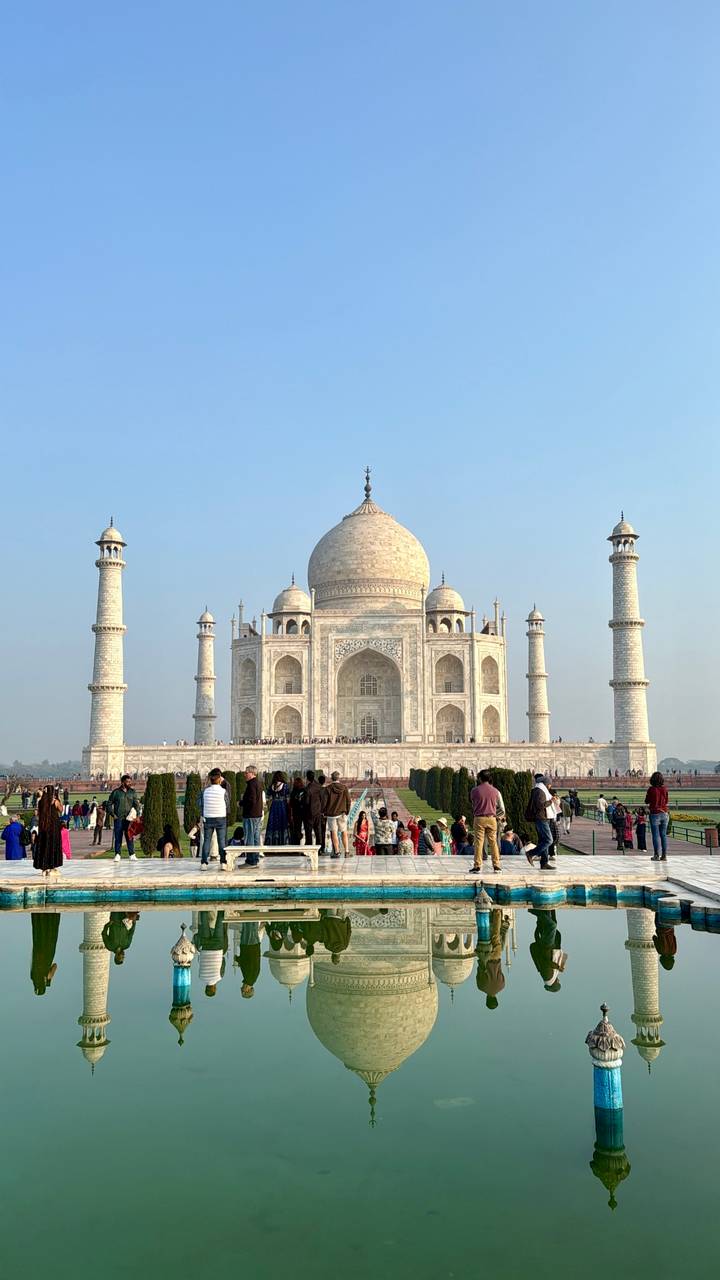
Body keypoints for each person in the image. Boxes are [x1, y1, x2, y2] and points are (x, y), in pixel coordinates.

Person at [469, 770, 504, 874]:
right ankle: (497, 866)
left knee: (479, 842)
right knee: (493, 842)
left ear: (480, 778)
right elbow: (502, 808)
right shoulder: (496, 791)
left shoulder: (475, 790)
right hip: (492, 818)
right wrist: (495, 815)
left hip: (479, 818)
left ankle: (477, 866)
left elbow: (473, 803)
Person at [475, 909, 510, 1009]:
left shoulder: (501, 986)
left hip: (497, 957)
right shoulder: (481, 987)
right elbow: (479, 971)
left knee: (496, 935)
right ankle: (494, 912)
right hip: (485, 956)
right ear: (487, 999)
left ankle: (497, 912)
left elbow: (500, 972)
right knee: (487, 932)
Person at [528, 908, 566, 992]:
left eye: (558, 983)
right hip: (549, 946)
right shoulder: (551, 976)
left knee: (552, 926)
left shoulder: (548, 977)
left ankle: (537, 912)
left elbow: (545, 962)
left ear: (555, 984)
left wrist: (558, 967)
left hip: (547, 946)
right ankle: (549, 907)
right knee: (552, 922)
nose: (558, 980)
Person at [199, 768, 229, 870]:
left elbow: (201, 805)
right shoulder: (223, 791)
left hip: (208, 818)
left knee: (207, 841)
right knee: (222, 842)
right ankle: (223, 863)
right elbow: (227, 804)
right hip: (220, 818)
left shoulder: (204, 791)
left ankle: (204, 863)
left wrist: (204, 815)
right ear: (220, 779)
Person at [107, 774, 141, 862]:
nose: (129, 783)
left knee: (129, 836)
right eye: (128, 782)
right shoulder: (116, 792)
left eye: (130, 782)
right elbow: (109, 804)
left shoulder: (132, 792)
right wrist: (112, 814)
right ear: (122, 782)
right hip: (118, 818)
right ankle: (117, 854)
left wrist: (137, 815)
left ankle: (132, 854)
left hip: (129, 819)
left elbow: (136, 805)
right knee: (118, 837)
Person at [193, 909, 227, 995]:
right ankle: (203, 907)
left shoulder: (219, 977)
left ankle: (222, 907)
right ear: (206, 988)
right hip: (205, 947)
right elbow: (200, 963)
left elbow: (223, 962)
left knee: (219, 923)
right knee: (204, 923)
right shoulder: (201, 977)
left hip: (217, 947)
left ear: (214, 988)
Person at [524, 774, 554, 871]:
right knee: (549, 840)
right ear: (546, 784)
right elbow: (540, 805)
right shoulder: (539, 791)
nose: (550, 786)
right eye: (549, 784)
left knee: (543, 840)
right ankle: (531, 853)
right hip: (541, 818)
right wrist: (551, 801)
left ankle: (544, 863)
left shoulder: (541, 790)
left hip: (543, 817)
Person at [34, 785, 63, 877]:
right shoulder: (54, 802)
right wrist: (59, 799)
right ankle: (52, 867)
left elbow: (39, 814)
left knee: (44, 845)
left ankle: (44, 868)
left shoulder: (41, 802)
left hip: (43, 827)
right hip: (53, 827)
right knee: (53, 845)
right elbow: (61, 810)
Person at [30, 912, 60, 995]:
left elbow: (55, 966)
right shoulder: (33, 975)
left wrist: (49, 980)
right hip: (38, 948)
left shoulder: (46, 978)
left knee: (49, 931)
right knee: (39, 931)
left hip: (48, 950)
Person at [325, 771, 352, 857]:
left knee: (334, 833)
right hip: (342, 813)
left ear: (331, 778)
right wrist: (347, 811)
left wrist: (324, 812)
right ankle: (347, 851)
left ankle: (337, 852)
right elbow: (348, 800)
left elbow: (325, 802)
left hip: (331, 814)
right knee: (344, 832)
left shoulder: (328, 788)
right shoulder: (344, 788)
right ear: (338, 778)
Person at [646, 770, 670, 861]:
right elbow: (667, 801)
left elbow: (647, 801)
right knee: (663, 835)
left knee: (655, 835)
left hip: (655, 813)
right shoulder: (664, 789)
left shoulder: (651, 789)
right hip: (664, 813)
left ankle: (656, 855)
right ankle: (664, 856)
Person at [237, 920, 262, 998]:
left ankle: (253, 910)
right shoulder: (249, 978)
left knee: (252, 927)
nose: (241, 987)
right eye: (242, 990)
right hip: (249, 947)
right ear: (247, 990)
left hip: (253, 947)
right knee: (249, 925)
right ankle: (251, 910)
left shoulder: (252, 978)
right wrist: (238, 959)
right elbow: (247, 962)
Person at [265, 772, 290, 845]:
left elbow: (267, 797)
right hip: (282, 806)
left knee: (273, 823)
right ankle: (283, 841)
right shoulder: (285, 786)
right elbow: (288, 799)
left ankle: (272, 841)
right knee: (282, 823)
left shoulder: (272, 786)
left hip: (274, 806)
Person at [302, 770, 324, 849]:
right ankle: (320, 849)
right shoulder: (319, 787)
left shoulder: (307, 789)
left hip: (309, 813)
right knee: (318, 831)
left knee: (309, 832)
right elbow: (322, 799)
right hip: (318, 812)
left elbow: (306, 802)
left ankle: (309, 848)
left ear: (307, 778)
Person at [288, 776, 306, 844]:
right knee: (307, 829)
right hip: (303, 812)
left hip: (296, 813)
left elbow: (291, 803)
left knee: (297, 829)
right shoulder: (304, 790)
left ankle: (296, 843)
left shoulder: (293, 792)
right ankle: (306, 844)